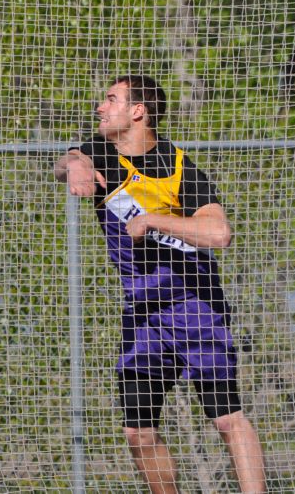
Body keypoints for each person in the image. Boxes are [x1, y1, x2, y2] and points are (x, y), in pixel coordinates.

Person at [55, 75, 266, 494]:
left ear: (138, 111)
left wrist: (153, 220)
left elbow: (219, 233)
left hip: (194, 306)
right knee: (138, 434)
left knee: (227, 419)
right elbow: (68, 160)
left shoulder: (182, 168)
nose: (100, 107)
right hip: (143, 315)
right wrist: (74, 164)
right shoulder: (101, 153)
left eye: (111, 99)